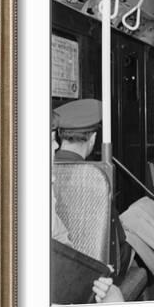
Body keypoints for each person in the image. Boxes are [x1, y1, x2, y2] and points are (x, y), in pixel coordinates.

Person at [53, 99, 132, 287]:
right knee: (138, 223)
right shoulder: (95, 180)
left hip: (58, 265)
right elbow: (117, 240)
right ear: (94, 139)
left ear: (59, 137)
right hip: (96, 270)